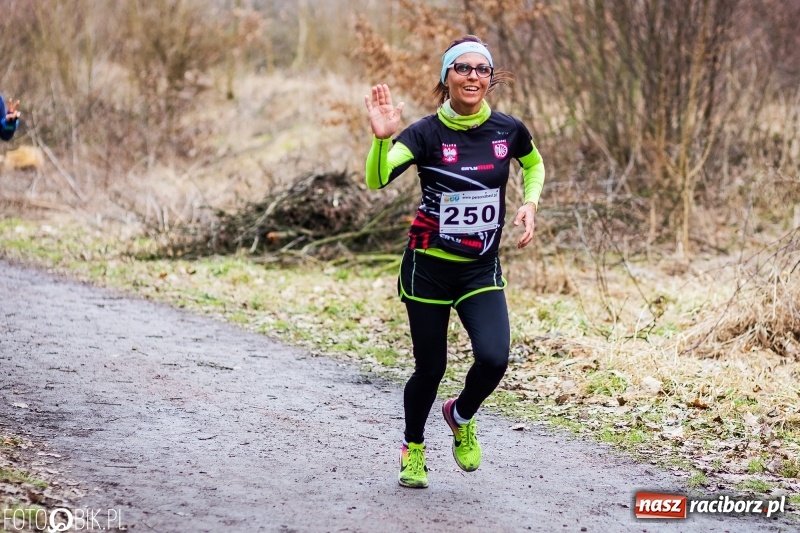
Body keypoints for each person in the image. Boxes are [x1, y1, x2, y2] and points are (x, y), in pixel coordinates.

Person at [363, 35, 545, 488]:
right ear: (446, 78)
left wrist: (531, 203)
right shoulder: (425, 132)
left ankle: (460, 415)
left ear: (490, 78)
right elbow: (377, 178)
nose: (473, 76)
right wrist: (382, 140)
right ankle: (414, 447)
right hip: (428, 266)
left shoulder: (508, 129)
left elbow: (534, 164)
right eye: (462, 68)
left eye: (481, 69)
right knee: (431, 367)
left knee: (494, 357)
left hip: (480, 267)